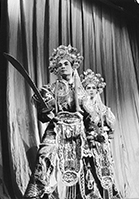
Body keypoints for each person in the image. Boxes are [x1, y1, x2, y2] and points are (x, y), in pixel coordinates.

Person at [24, 45, 90, 199]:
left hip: (78, 130)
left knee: (85, 164)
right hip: (57, 128)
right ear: (56, 69)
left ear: (73, 65)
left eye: (66, 63)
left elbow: (90, 115)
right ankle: (37, 192)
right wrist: (45, 113)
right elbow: (43, 116)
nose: (62, 67)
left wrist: (92, 129)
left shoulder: (83, 91)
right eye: (59, 65)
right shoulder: (48, 90)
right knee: (44, 155)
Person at [80, 69, 121, 199]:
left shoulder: (103, 109)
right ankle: (92, 194)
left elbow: (111, 126)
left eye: (93, 88)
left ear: (97, 90)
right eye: (88, 87)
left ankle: (109, 193)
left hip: (101, 143)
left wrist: (106, 135)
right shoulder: (82, 108)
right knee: (89, 169)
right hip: (87, 142)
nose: (91, 90)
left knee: (104, 168)